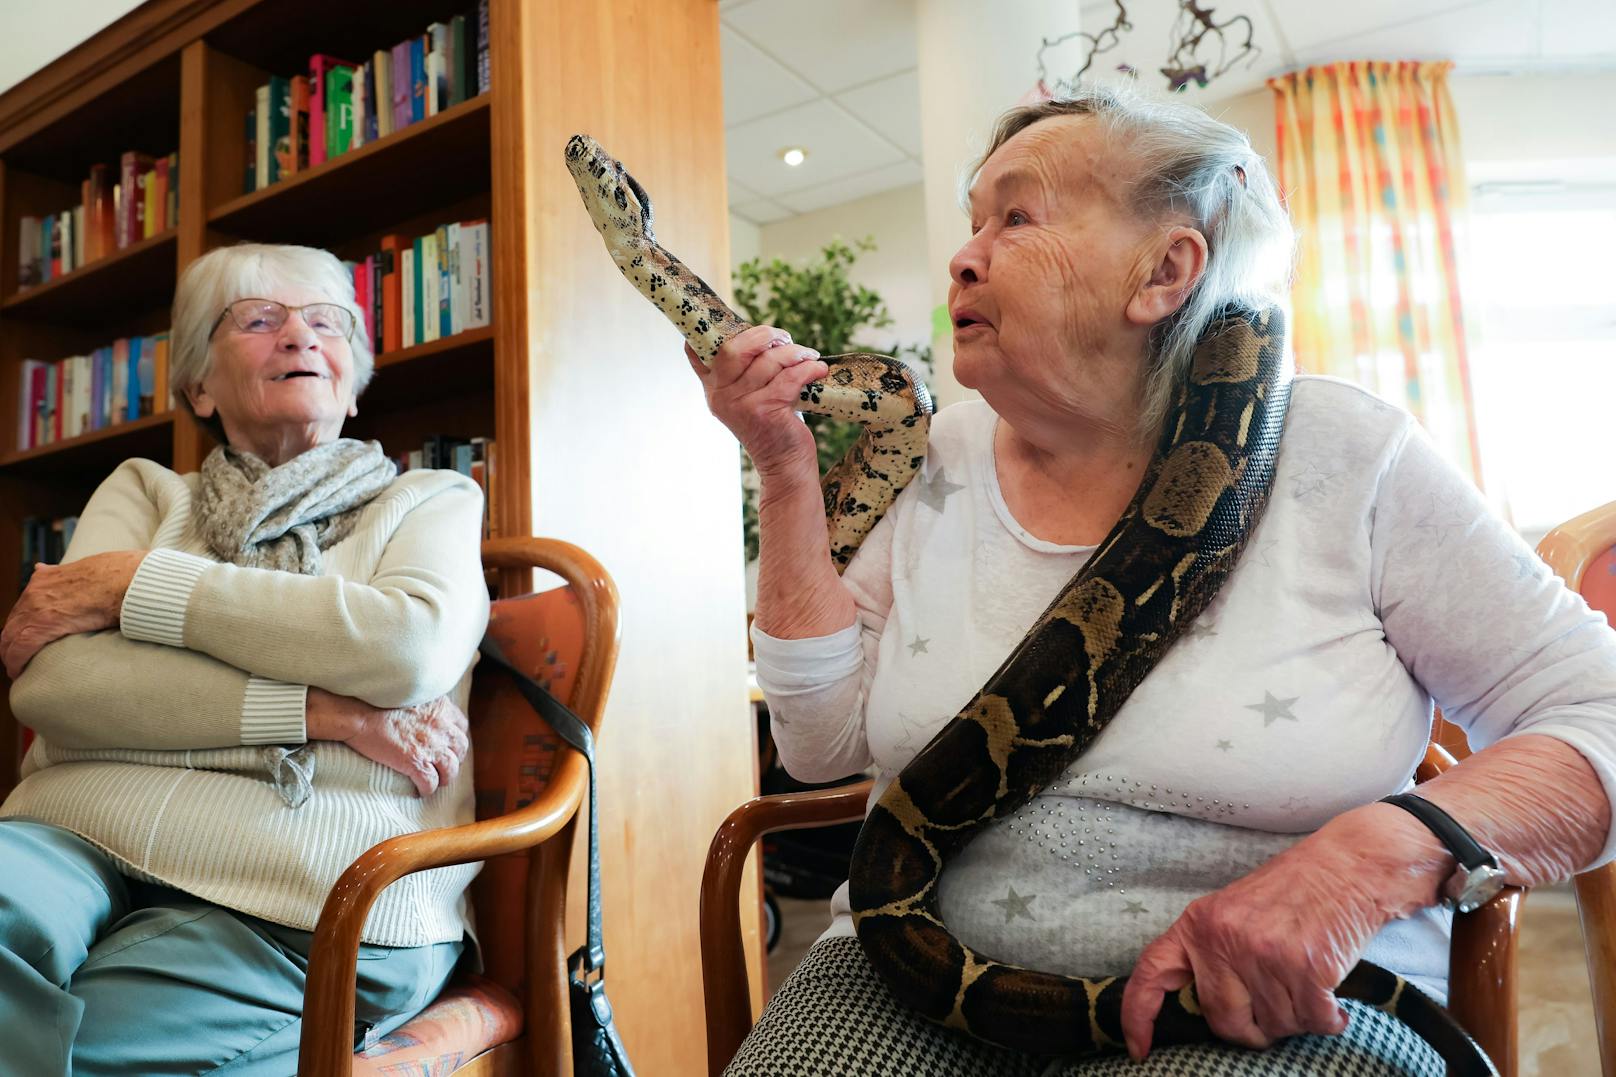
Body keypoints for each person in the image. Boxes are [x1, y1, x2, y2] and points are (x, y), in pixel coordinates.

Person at [698, 87, 1616, 1075]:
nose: (963, 256)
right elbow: (819, 744)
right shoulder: (932, 459)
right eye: (970, 223)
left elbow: (1597, 716)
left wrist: (1367, 862)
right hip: (908, 968)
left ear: (1166, 270)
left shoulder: (1344, 454)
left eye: (1015, 216)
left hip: (1256, 997)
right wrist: (784, 470)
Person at [0, 243, 491, 1076]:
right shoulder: (146, 492)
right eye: (260, 320)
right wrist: (322, 710)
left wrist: (135, 587)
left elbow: (404, 646)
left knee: (74, 1051)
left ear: (352, 368)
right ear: (197, 383)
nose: (300, 336)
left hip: (302, 887)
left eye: (326, 321)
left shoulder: (430, 499)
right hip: (74, 831)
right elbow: (58, 686)